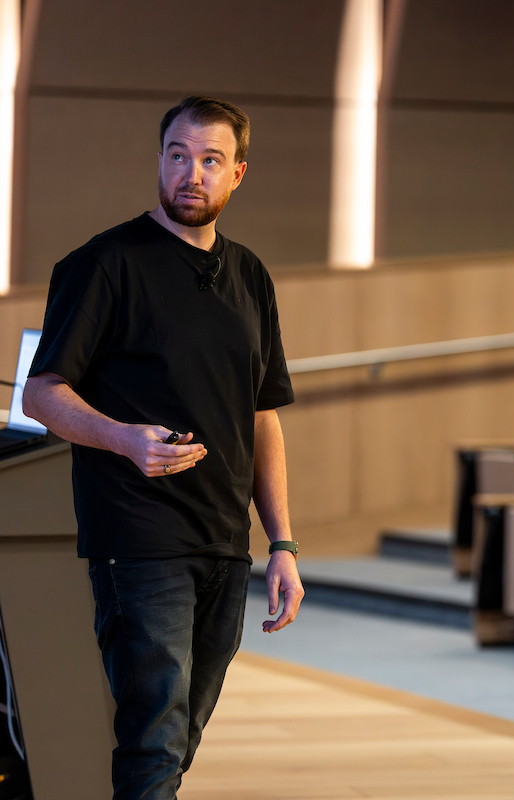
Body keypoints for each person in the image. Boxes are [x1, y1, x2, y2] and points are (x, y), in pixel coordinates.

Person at [21, 96, 302, 799]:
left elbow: (264, 416)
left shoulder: (251, 277)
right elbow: (41, 393)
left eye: (210, 161)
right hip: (138, 535)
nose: (191, 173)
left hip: (223, 541)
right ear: (159, 160)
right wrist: (122, 438)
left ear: (239, 174)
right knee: (153, 734)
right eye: (177, 155)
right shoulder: (105, 264)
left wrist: (284, 545)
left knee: (178, 738)